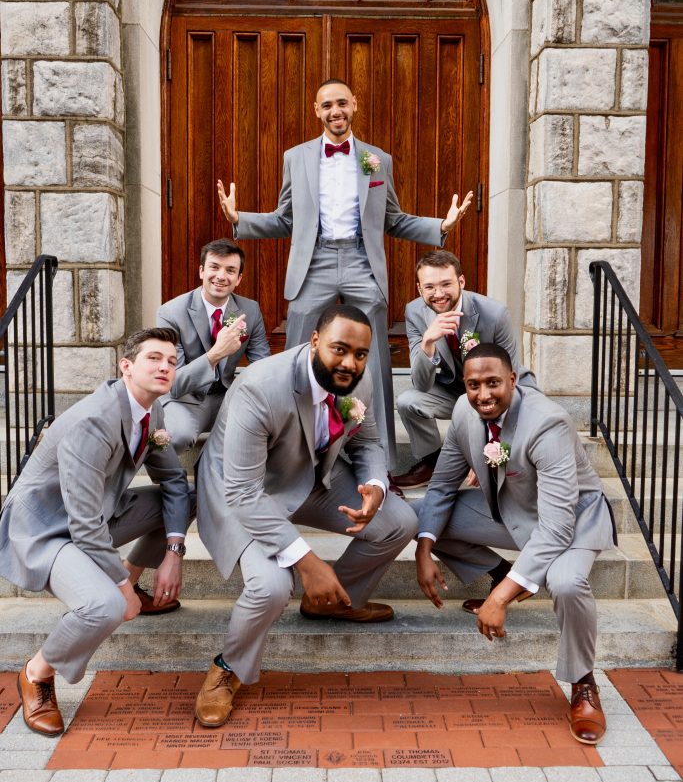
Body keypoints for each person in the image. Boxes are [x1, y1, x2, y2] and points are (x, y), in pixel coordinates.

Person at [217, 78, 473, 474]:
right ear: (316, 111)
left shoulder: (377, 159)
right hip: (314, 260)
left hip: (361, 260)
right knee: (299, 354)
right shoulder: (296, 157)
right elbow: (285, 219)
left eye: (341, 103)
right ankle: (292, 454)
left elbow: (393, 219)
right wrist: (241, 220)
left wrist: (440, 225)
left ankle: (382, 464)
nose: (335, 111)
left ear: (354, 105)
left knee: (374, 360)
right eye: (327, 106)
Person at [194, 304, 418, 727]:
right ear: (314, 341)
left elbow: (368, 442)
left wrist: (375, 485)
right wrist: (309, 562)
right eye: (339, 349)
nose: (350, 363)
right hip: (243, 491)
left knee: (400, 522)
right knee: (272, 586)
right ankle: (228, 667)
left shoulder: (359, 379)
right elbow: (242, 491)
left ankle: (331, 602)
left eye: (360, 354)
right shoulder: (260, 387)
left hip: (309, 479)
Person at [414, 343, 616, 746]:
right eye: (473, 385)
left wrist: (500, 600)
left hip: (573, 521)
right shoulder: (464, 412)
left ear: (512, 380)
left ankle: (583, 682)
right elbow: (441, 486)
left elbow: (556, 527)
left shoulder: (548, 423)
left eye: (493, 383)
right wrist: (423, 550)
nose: (483, 394)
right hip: (515, 510)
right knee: (418, 519)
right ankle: (505, 574)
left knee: (566, 583)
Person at [0, 328, 192, 736]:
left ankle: (131, 582)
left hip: (98, 514)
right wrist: (119, 589)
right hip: (48, 528)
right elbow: (84, 524)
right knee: (104, 606)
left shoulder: (151, 412)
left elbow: (175, 482)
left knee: (185, 499)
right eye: (154, 358)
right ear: (126, 366)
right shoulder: (93, 421)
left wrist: (174, 552)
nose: (164, 367)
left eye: (172, 361)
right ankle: (37, 672)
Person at [394, 250, 536, 489]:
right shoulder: (414, 312)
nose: (438, 294)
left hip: (495, 389)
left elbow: (508, 381)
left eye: (445, 284)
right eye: (429, 287)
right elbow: (421, 385)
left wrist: (487, 449)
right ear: (419, 289)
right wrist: (427, 343)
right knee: (408, 401)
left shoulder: (494, 313)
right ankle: (433, 463)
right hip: (452, 390)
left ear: (461, 281)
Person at [156, 238, 269, 455]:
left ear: (239, 278)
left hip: (227, 397)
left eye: (230, 270)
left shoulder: (250, 310)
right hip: (185, 398)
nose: (221, 276)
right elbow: (173, 383)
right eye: (214, 267)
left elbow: (262, 367)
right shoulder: (170, 313)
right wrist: (215, 354)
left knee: (268, 427)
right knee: (176, 437)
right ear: (201, 271)